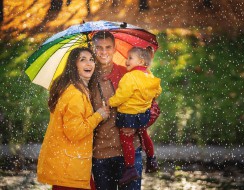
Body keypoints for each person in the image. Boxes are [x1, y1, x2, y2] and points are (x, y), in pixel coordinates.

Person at [37, 47, 110, 190]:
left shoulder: (77, 90)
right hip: (70, 169)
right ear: (74, 65)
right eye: (83, 60)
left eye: (91, 60)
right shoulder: (75, 94)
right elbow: (75, 132)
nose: (89, 64)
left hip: (71, 166)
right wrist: (98, 116)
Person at [90, 31, 143, 190]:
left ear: (114, 49)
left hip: (129, 152)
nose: (104, 52)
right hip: (100, 154)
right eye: (99, 48)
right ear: (93, 49)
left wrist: (135, 124)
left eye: (108, 47)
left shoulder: (129, 74)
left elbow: (151, 108)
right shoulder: (87, 77)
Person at [108, 46, 162, 185]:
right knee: (144, 135)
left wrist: (110, 102)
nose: (126, 61)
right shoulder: (149, 75)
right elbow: (157, 90)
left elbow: (122, 95)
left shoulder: (129, 77)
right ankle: (151, 159)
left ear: (141, 61)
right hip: (143, 114)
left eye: (130, 58)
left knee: (126, 140)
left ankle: (130, 168)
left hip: (129, 114)